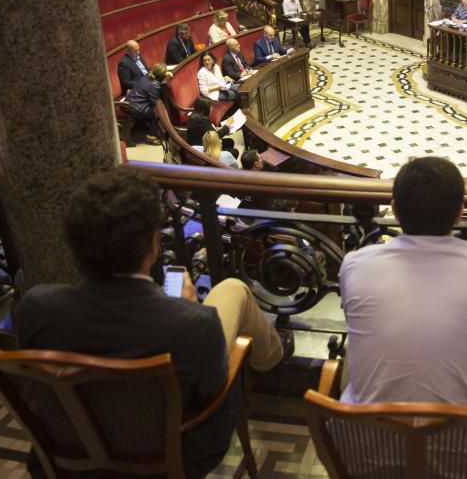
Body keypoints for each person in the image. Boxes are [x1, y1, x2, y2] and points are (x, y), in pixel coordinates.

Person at [14, 168, 290, 478]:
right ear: (154, 244)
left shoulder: (35, 307)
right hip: (175, 456)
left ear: (75, 247)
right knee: (231, 291)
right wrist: (187, 311)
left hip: (71, 452)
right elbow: (214, 392)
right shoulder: (193, 324)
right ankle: (274, 360)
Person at [339, 157, 467, 406]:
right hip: (466, 442)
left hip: (363, 440)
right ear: (460, 214)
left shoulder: (355, 264)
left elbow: (354, 321)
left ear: (395, 210)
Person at [124, 62, 172, 145]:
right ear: (161, 75)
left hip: (131, 102)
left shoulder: (147, 75)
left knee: (157, 110)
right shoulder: (154, 85)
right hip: (136, 108)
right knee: (158, 112)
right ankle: (151, 136)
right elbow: (156, 102)